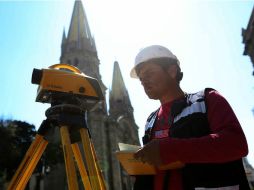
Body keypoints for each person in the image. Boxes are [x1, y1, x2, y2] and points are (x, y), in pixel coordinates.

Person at [130, 45, 250, 190]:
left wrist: (169, 150)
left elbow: (236, 144)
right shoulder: (151, 120)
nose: (143, 81)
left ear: (172, 71)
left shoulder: (208, 99)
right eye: (141, 78)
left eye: (149, 73)